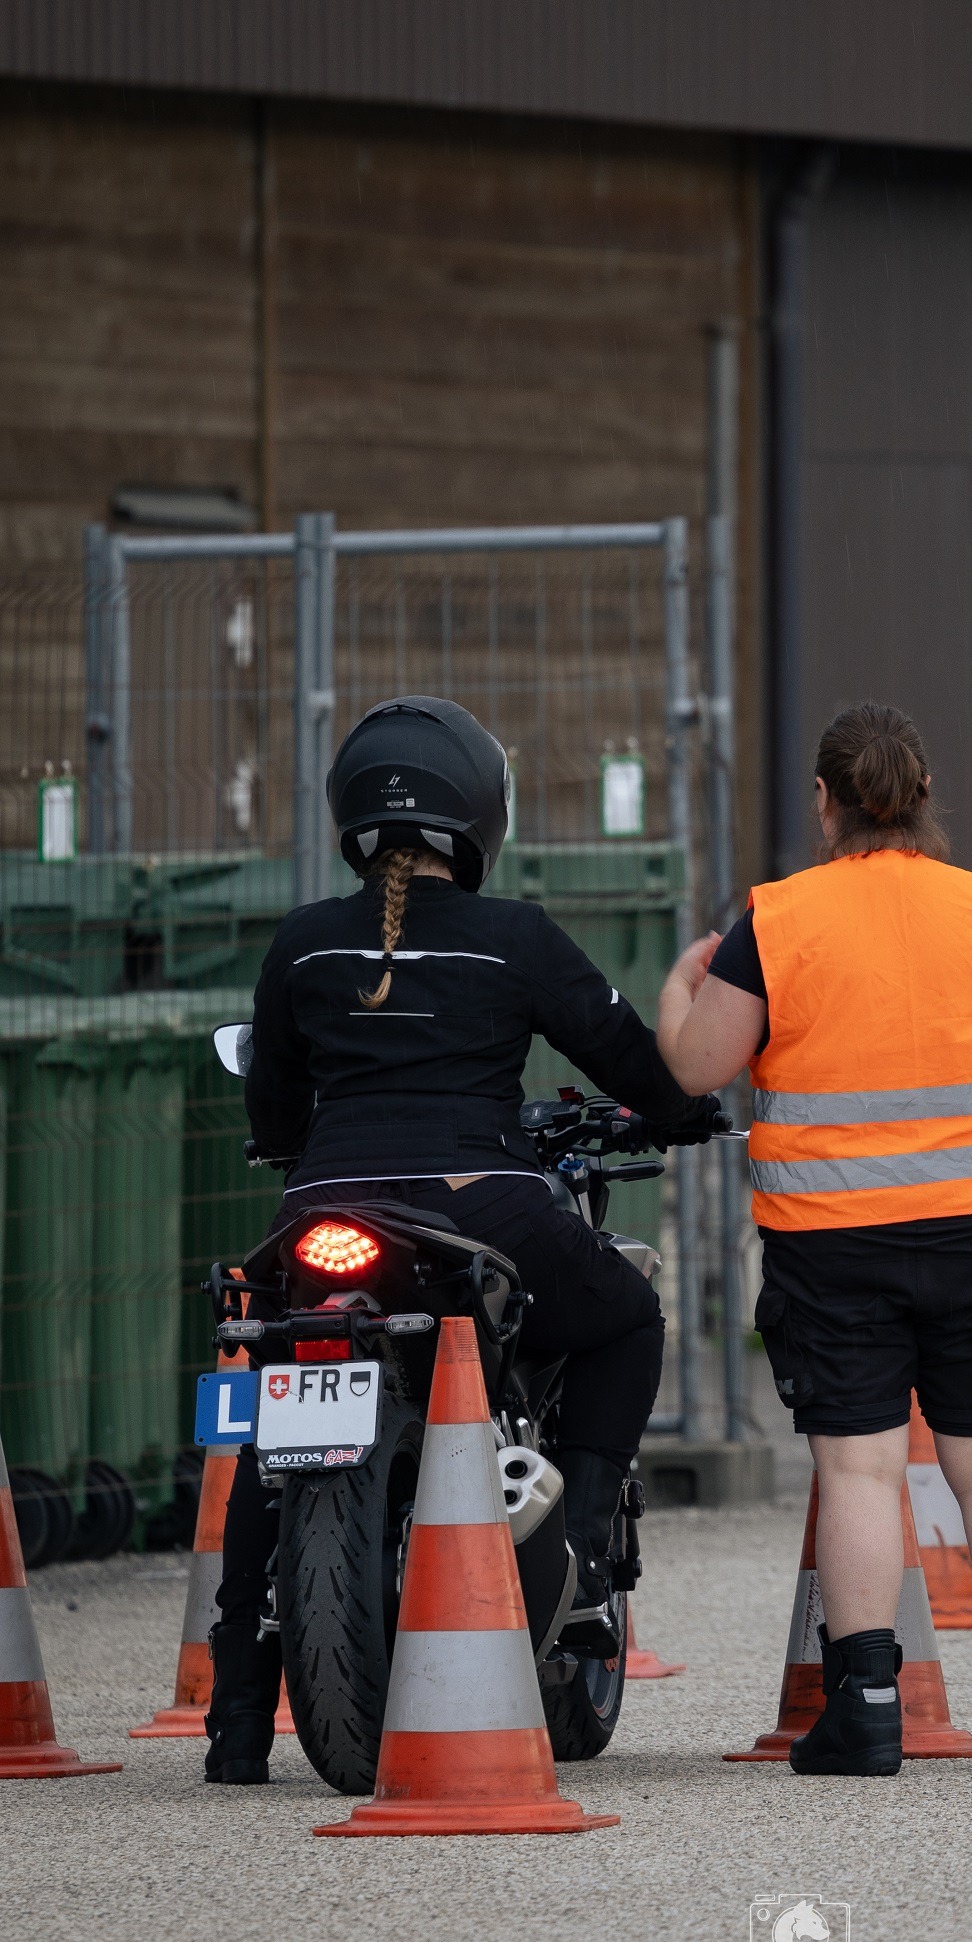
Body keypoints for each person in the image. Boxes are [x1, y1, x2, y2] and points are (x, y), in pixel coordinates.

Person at [204, 695, 719, 1784]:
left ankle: (237, 1715)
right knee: (628, 1318)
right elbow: (631, 1059)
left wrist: (301, 1141)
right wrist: (679, 1111)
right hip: (478, 1205)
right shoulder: (516, 936)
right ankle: (579, 1552)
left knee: (271, 1431)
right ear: (483, 811)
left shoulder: (303, 941)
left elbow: (274, 1111)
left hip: (319, 1210)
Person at [657, 701, 972, 1777]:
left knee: (860, 1472)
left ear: (825, 801)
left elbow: (696, 1069)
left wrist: (680, 987)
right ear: (922, 796)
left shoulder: (776, 922)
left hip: (830, 1245)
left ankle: (863, 1713)